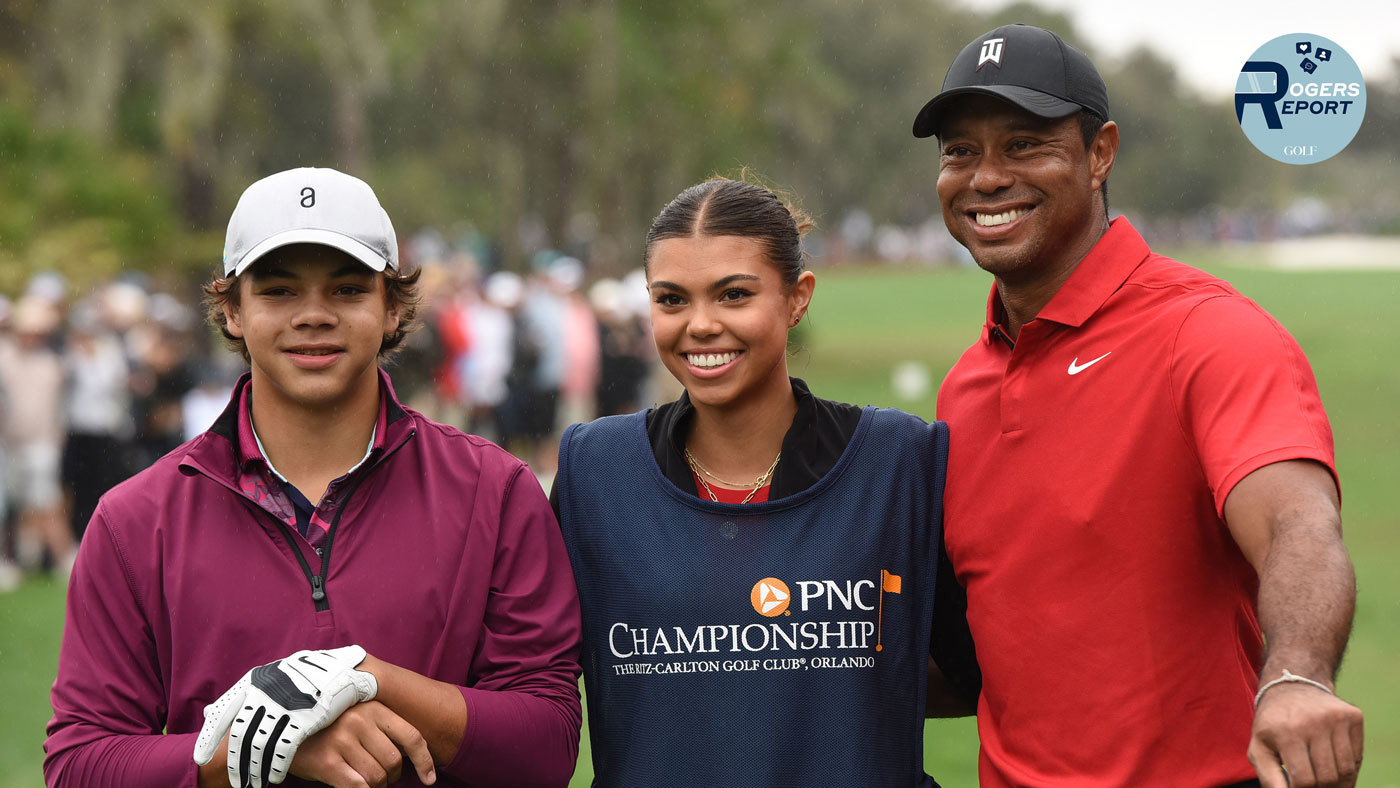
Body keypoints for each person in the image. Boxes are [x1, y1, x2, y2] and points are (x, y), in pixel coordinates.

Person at [911, 24, 1363, 788]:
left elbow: (1297, 520)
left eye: (1023, 145)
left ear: (1099, 154)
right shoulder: (966, 386)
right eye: (961, 151)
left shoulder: (1209, 334)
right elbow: (986, 657)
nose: (985, 177)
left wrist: (1295, 677)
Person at [45, 167, 583, 788]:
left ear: (393, 307)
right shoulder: (135, 519)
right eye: (277, 291)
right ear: (233, 311)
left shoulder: (497, 491)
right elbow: (79, 765)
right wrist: (259, 748)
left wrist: (366, 677)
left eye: (348, 289)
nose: (313, 316)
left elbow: (547, 744)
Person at [552, 177, 979, 787]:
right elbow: (531, 690)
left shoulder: (899, 462)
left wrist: (821, 686)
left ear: (797, 297)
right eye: (671, 300)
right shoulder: (596, 472)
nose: (699, 325)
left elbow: (980, 674)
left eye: (733, 295)